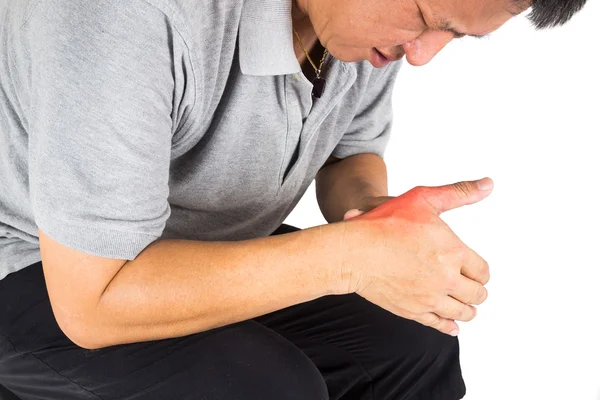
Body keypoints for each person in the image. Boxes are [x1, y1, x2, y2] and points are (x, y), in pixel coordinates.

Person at [0, 0, 589, 399]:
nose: (422, 54)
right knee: (264, 387)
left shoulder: (361, 28)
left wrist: (375, 217)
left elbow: (347, 153)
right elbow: (92, 304)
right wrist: (349, 257)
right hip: (41, 259)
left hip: (191, 248)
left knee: (415, 341)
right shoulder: (128, 16)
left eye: (455, 35)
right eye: (425, 16)